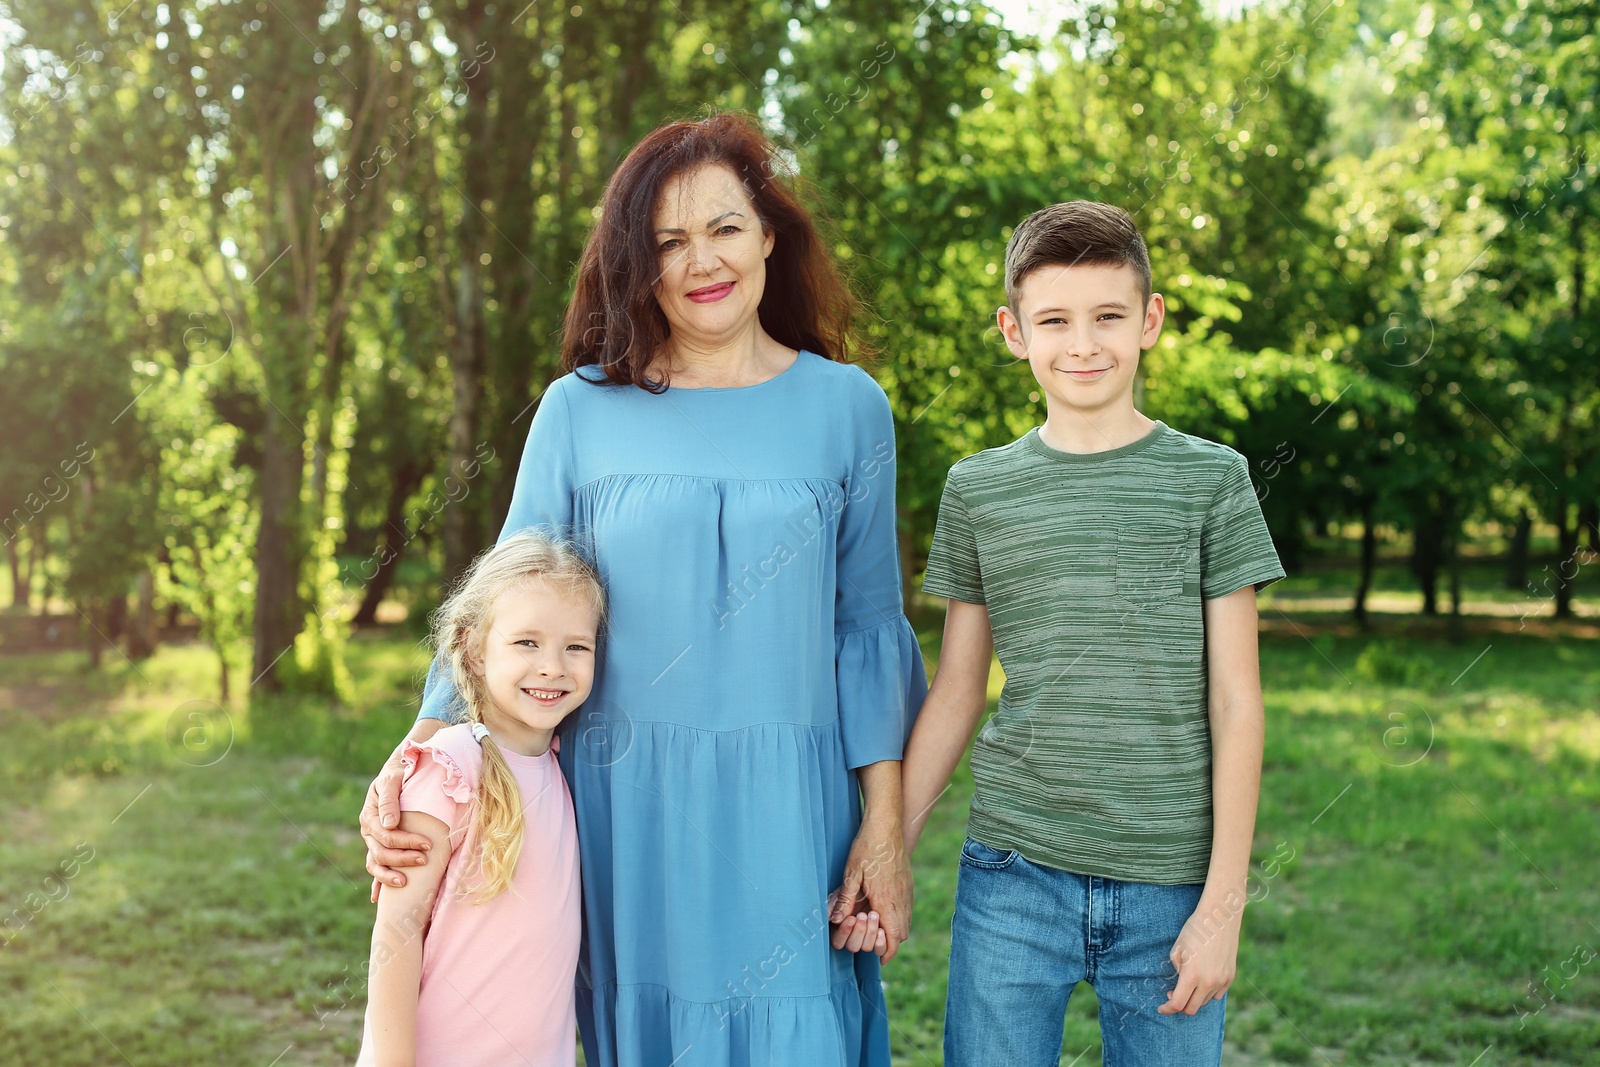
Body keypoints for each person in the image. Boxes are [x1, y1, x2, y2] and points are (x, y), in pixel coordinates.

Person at [359, 111, 929, 1066]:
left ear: (769, 237)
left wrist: (883, 829)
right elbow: (504, 608)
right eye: (669, 241)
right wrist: (413, 757)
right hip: (623, 805)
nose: (702, 259)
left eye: (724, 227)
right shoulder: (580, 409)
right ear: (638, 264)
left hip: (793, 810)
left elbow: (867, 630)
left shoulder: (848, 408)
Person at [901, 200, 1285, 1066]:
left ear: (1149, 321)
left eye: (1109, 316)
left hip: (1169, 885)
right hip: (1012, 873)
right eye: (1055, 320)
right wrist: (892, 841)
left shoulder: (1212, 481)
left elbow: (1237, 700)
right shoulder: (979, 490)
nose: (1084, 343)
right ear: (1013, 331)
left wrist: (1222, 902)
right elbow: (960, 686)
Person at [356, 532, 604, 1067]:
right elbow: (395, 939)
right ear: (472, 648)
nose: (552, 667)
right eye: (526, 642)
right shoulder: (450, 766)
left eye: (576, 647)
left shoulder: (562, 773)